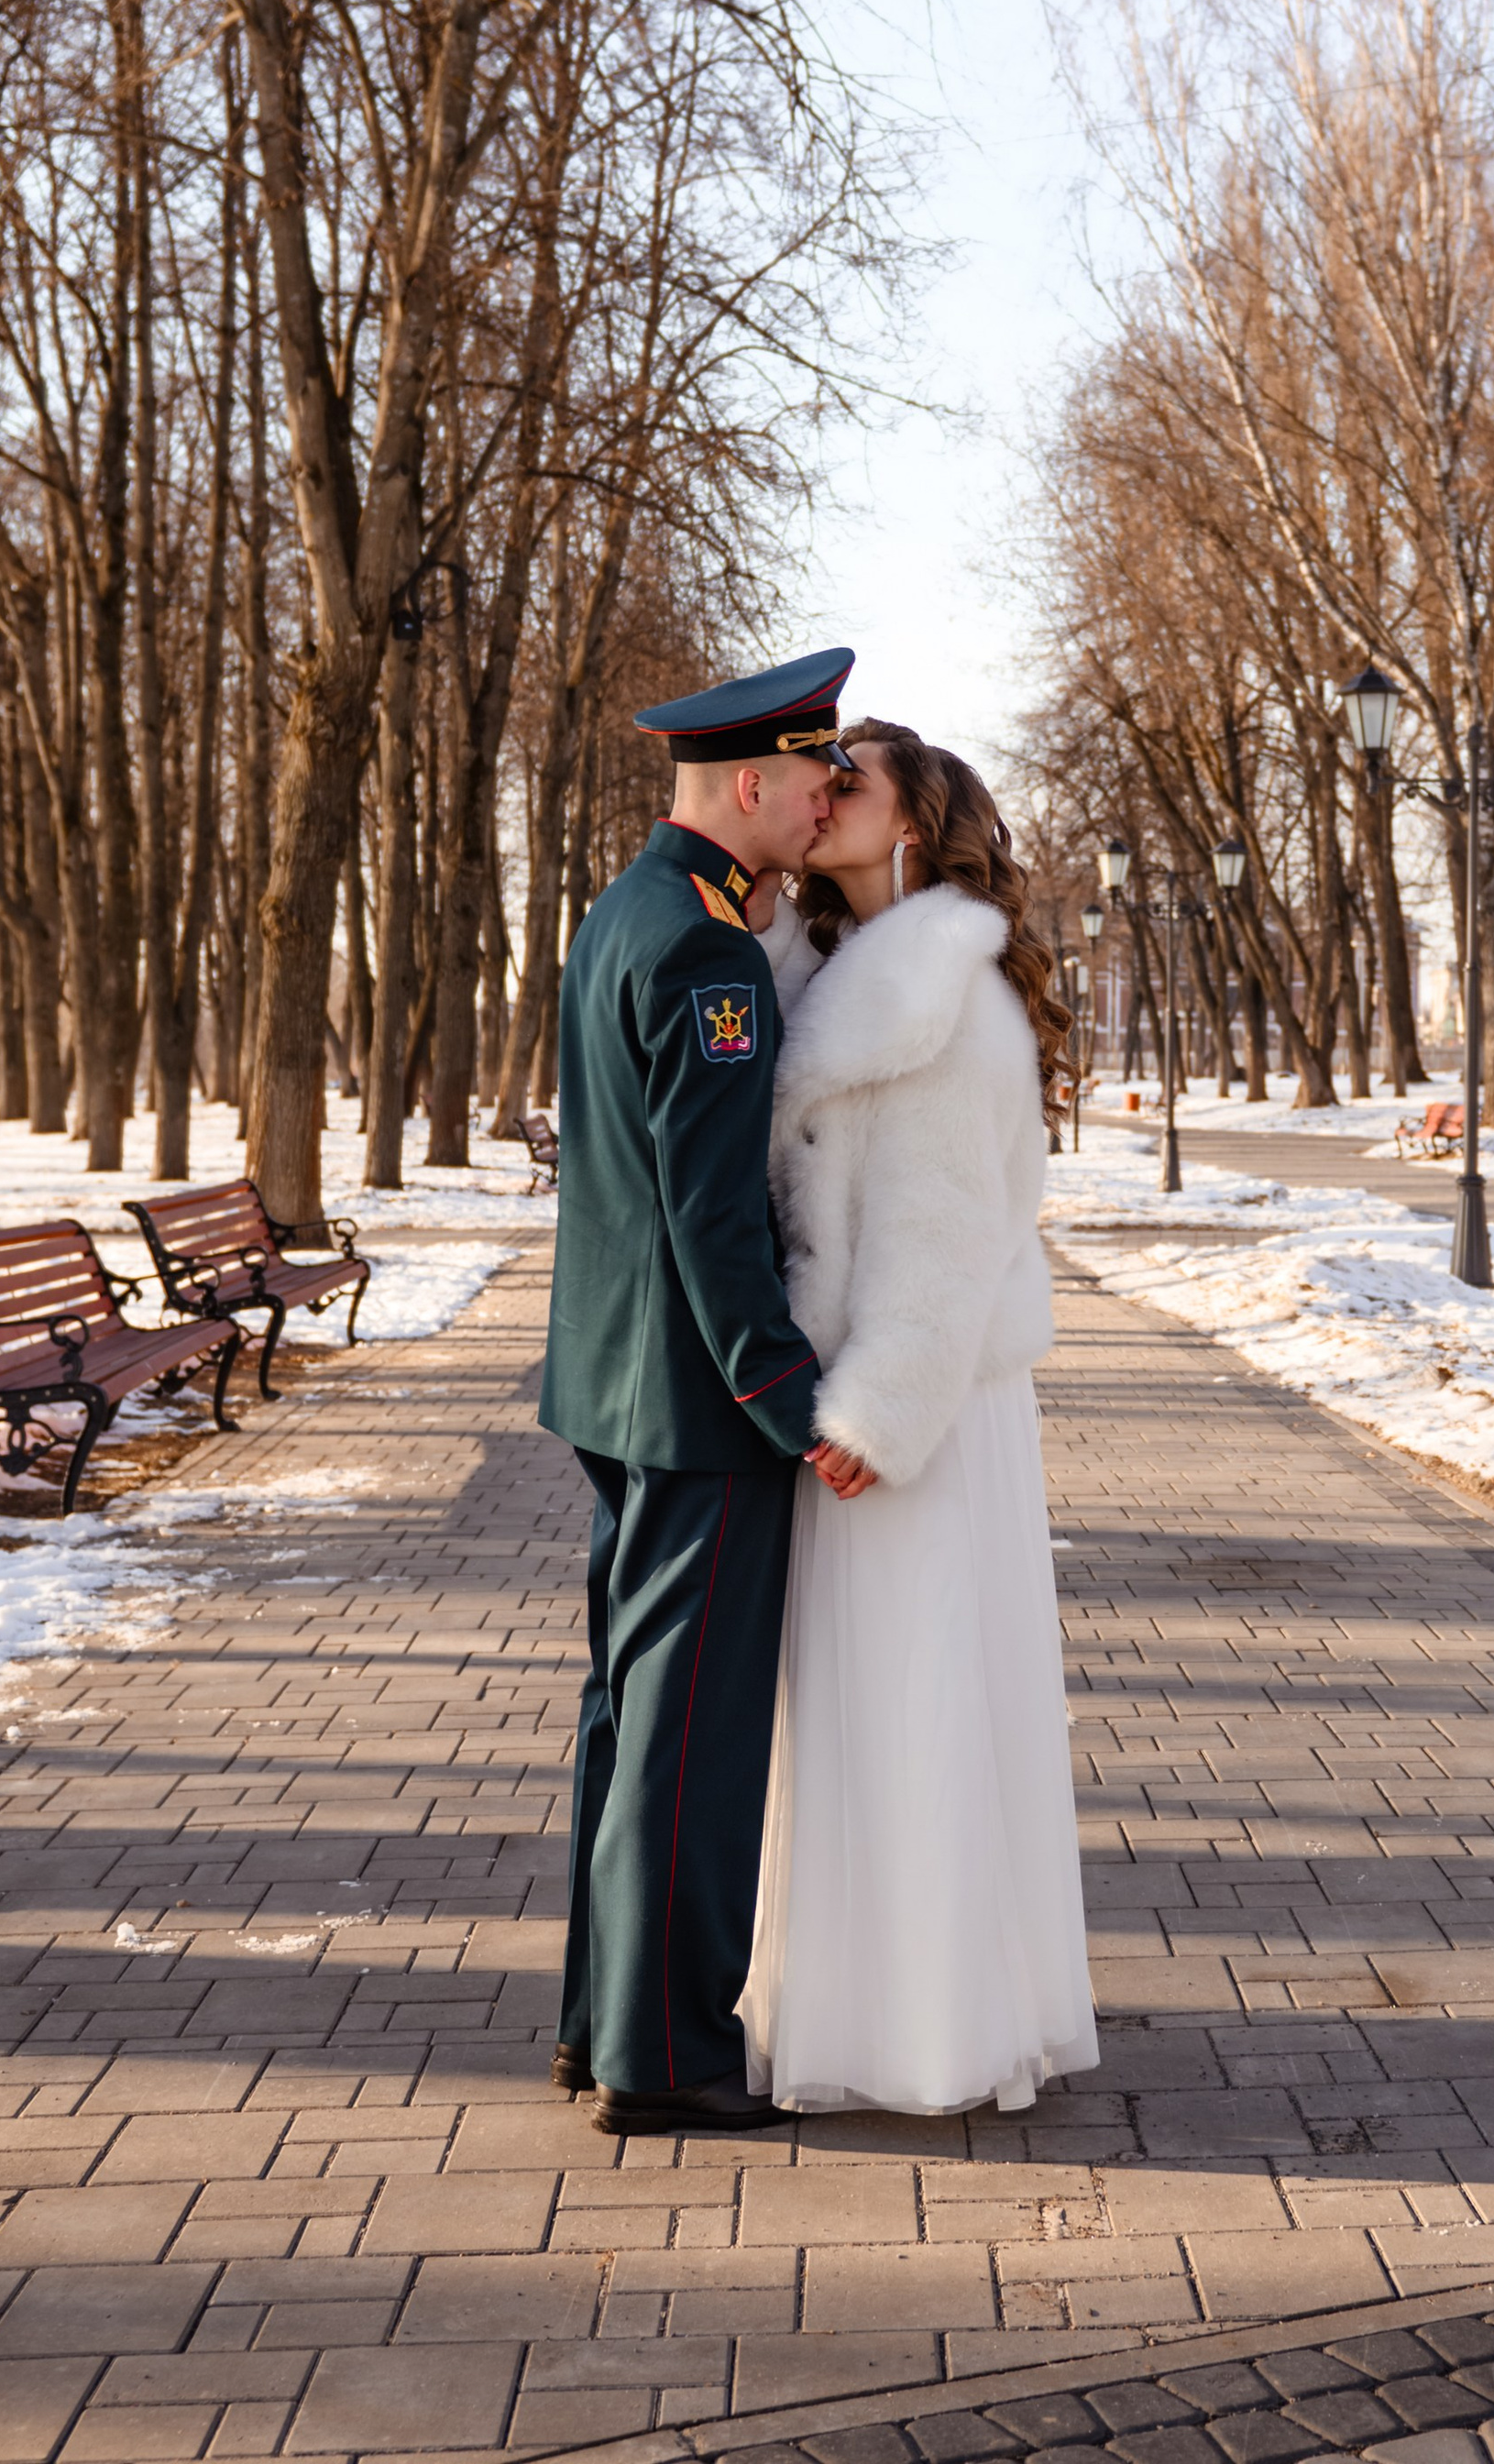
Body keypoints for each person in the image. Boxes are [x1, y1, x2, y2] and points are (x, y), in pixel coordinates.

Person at [539, 645, 877, 2140]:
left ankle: (600, 2020)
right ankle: (666, 2053)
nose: (826, 796)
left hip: (616, 1387)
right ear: (749, 782)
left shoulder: (627, 910)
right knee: (691, 1740)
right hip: (698, 1405)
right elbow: (710, 1211)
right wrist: (786, 1395)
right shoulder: (712, 957)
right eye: (813, 772)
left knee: (628, 1719)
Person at [740, 717, 1097, 2117]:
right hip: (877, 1394)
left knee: (919, 1697)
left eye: (853, 779)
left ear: (910, 821)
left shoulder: (944, 988)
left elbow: (946, 1232)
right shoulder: (850, 970)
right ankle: (874, 2001)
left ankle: (934, 2029)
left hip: (916, 1409)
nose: (823, 791)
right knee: (869, 1704)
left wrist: (876, 1410)